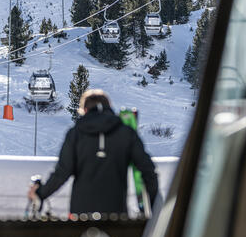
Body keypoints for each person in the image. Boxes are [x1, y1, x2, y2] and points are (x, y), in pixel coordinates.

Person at [28, 89, 158, 214]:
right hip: (116, 212)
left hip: (81, 212)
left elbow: (62, 172)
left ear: (84, 110)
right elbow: (147, 169)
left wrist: (41, 194)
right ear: (109, 108)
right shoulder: (126, 133)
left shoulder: (75, 134)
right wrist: (155, 205)